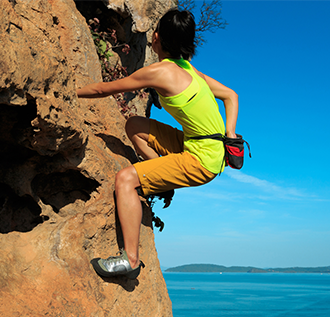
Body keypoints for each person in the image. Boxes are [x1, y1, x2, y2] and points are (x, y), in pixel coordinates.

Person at [76, 9, 238, 279]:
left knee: (125, 179)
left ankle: (129, 260)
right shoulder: (190, 70)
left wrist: (71, 91)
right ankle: (162, 177)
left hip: (201, 162)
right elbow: (231, 96)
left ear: (157, 37)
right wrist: (230, 134)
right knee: (135, 126)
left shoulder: (159, 72)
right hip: (201, 145)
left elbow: (105, 89)